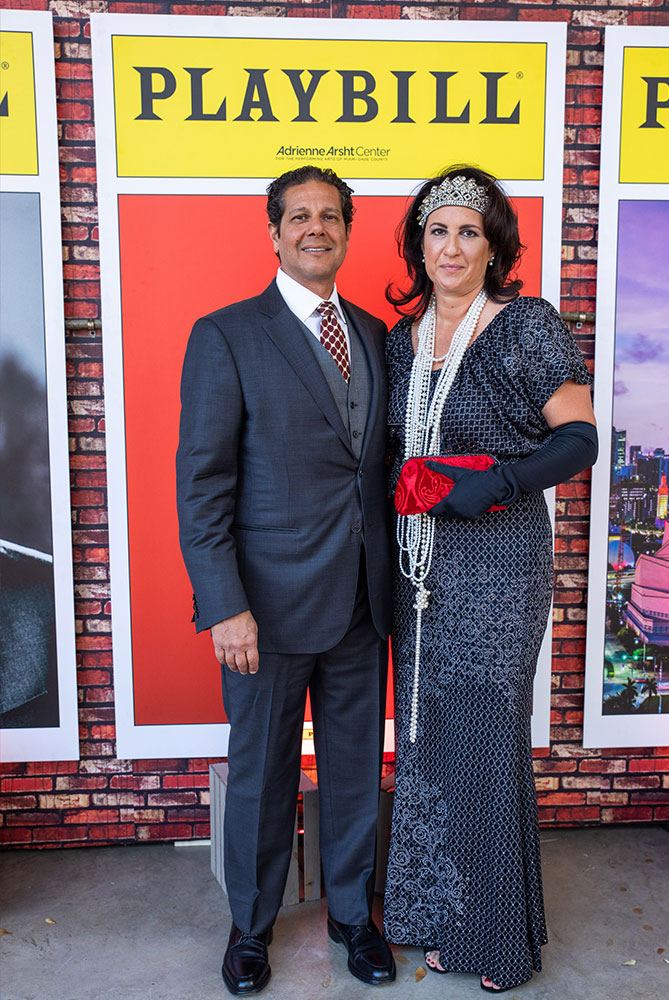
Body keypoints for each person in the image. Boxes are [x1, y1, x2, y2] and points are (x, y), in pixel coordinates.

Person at [176, 166, 395, 995]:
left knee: (352, 770)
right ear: (273, 233)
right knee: (264, 773)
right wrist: (224, 605)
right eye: (298, 216)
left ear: (346, 230)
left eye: (329, 216)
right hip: (261, 612)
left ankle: (351, 917)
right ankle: (251, 929)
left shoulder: (376, 334)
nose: (315, 228)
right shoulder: (227, 335)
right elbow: (203, 482)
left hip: (360, 602)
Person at [382, 166, 598, 993]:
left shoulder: (525, 326)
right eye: (438, 230)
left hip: (497, 566)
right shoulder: (403, 341)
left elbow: (576, 438)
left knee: (484, 738)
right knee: (431, 740)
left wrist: (500, 483)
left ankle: (498, 939)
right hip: (418, 567)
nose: (452, 245)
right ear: (419, 243)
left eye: (470, 231)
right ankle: (436, 912)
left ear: (494, 244)